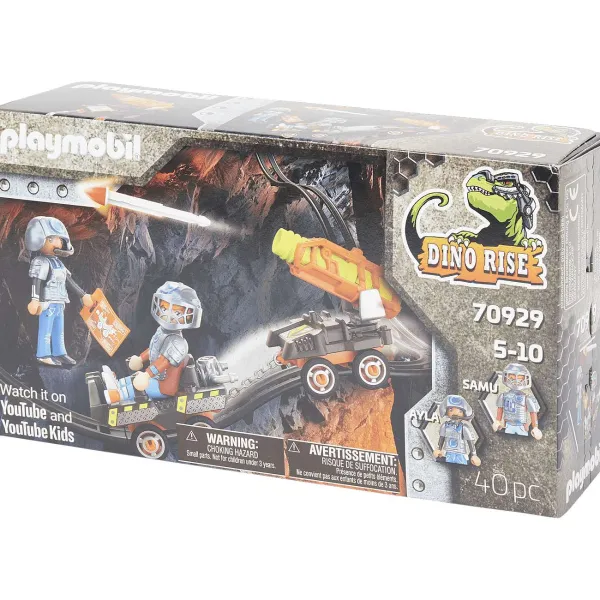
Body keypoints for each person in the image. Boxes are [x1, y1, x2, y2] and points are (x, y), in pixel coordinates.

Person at [102, 281, 202, 404]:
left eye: (177, 313)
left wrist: (147, 375)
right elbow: (153, 349)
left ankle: (116, 395)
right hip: (155, 378)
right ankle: (117, 385)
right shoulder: (162, 332)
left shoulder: (178, 342)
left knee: (137, 386)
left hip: (163, 386)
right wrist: (140, 358)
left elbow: (163, 362)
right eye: (164, 308)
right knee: (133, 379)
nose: (169, 315)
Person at [26, 216, 94, 367]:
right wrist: (35, 299)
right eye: (55, 239)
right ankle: (43, 354)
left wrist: (83, 295)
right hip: (47, 302)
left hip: (59, 302)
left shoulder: (58, 263)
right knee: (46, 329)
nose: (60, 242)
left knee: (59, 329)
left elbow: (68, 280)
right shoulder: (40, 262)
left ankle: (59, 352)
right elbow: (37, 281)